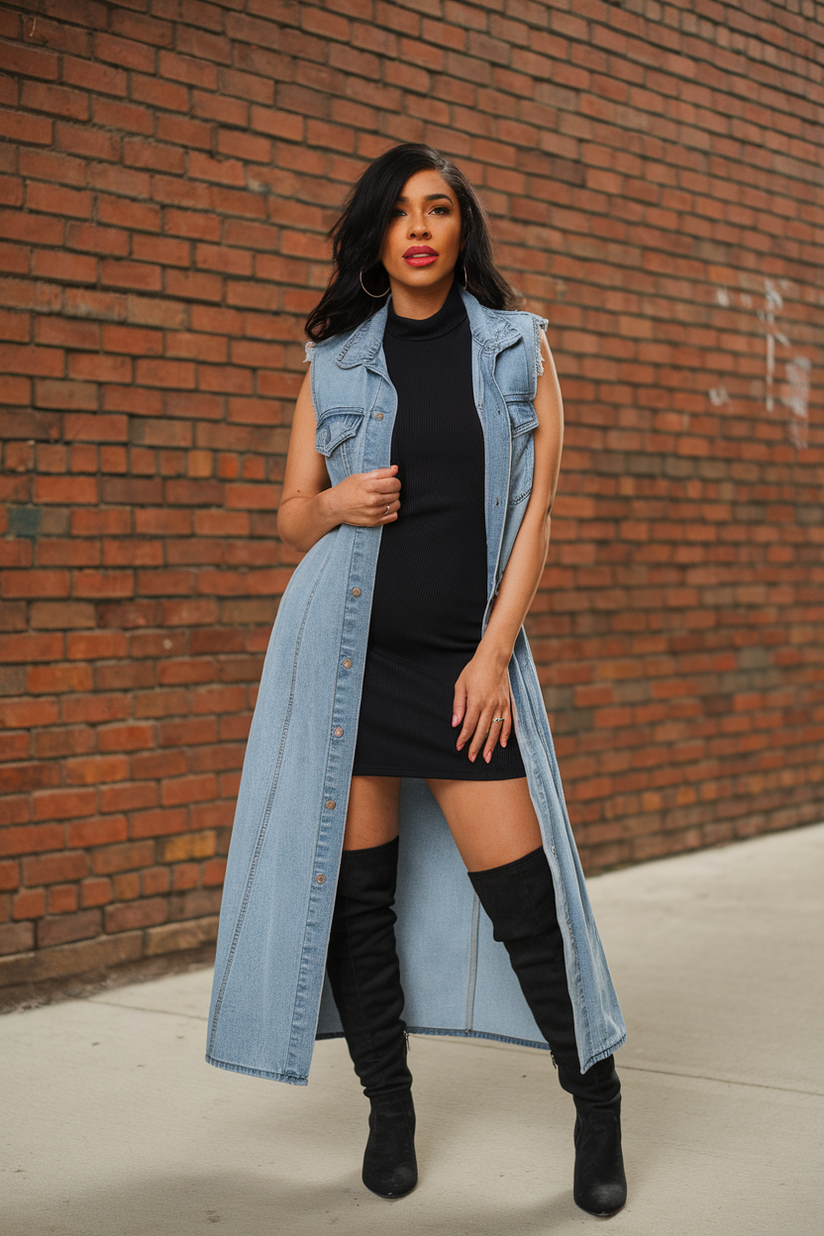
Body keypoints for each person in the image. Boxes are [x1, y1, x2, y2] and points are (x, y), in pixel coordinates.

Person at [205, 143, 627, 1219]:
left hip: (457, 666)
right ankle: (387, 1112)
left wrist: (491, 658)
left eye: (438, 208)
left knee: (525, 906)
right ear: (375, 238)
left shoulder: (516, 348)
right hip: (342, 665)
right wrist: (336, 507)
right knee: (358, 908)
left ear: (459, 227)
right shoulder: (334, 359)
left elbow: (535, 514)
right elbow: (292, 513)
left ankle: (595, 1102)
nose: (420, 227)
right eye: (398, 213)